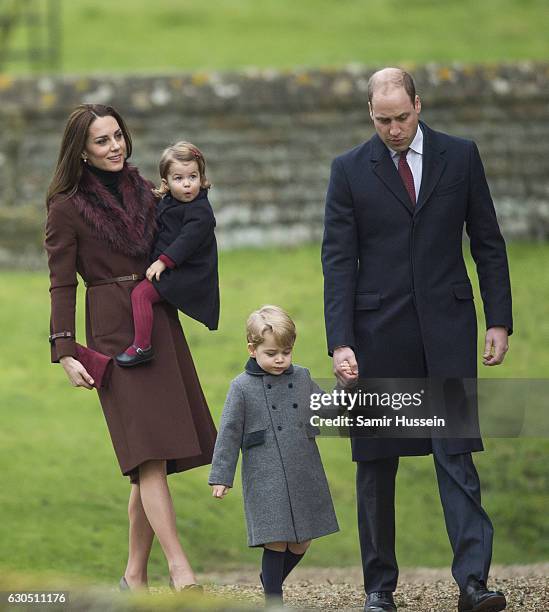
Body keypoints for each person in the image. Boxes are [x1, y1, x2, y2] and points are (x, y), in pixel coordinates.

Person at [322, 68, 512, 612]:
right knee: (377, 465)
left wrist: (498, 319)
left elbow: (488, 243)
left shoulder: (461, 156)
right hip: (376, 336)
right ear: (370, 113)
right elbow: (337, 263)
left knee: (456, 456)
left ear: (418, 105)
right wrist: (341, 341)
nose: (394, 129)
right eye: (383, 120)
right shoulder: (349, 171)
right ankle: (379, 590)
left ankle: (474, 584)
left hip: (449, 333)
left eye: (402, 117)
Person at [45, 104, 217, 592]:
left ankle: (134, 577)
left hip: (156, 319)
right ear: (81, 150)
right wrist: (65, 349)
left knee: (152, 458)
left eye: (117, 135)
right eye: (102, 140)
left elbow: (190, 231)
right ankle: (181, 569)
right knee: (148, 455)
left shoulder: (148, 190)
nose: (115, 146)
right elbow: (61, 284)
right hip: (113, 330)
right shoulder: (65, 205)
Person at [208, 305, 339, 605]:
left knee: (303, 540)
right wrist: (221, 476)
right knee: (276, 539)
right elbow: (229, 433)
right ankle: (273, 600)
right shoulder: (240, 387)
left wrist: (344, 388)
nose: (280, 359)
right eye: (271, 353)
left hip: (302, 467)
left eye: (286, 351)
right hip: (265, 471)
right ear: (252, 350)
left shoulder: (303, 377)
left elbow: (325, 409)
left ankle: (269, 581)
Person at [116, 141, 219, 367]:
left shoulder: (200, 211)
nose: (187, 184)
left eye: (193, 177)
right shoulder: (168, 202)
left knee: (141, 295)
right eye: (179, 179)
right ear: (166, 182)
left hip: (188, 273)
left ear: (201, 178)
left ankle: (142, 347)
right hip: (174, 268)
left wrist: (162, 262)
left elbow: (186, 241)